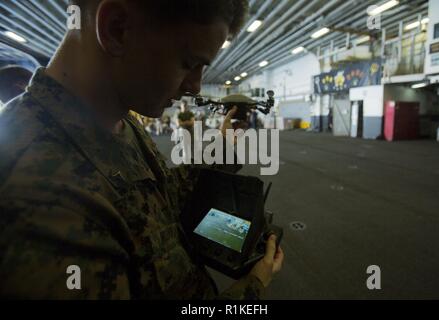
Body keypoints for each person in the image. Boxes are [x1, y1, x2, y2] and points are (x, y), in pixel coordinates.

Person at [0, 0, 283, 299]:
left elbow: (160, 195)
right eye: (189, 63)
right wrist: (252, 289)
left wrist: (222, 149)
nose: (196, 86)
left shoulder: (119, 119)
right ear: (117, 29)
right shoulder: (37, 200)